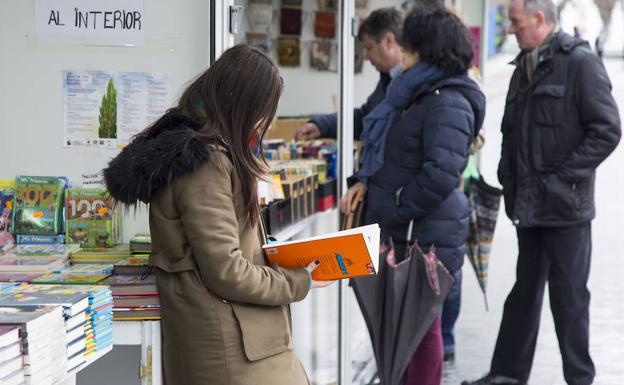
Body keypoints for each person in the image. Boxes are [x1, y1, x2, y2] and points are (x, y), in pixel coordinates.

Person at [103, 45, 332, 385]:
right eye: (260, 112)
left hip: (234, 339)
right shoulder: (205, 163)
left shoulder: (197, 150)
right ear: (242, 106)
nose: (260, 123)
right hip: (231, 347)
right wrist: (297, 281)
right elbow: (226, 270)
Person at [462, 1, 621, 385]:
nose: (510, 30)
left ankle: (580, 379)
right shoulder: (524, 65)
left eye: (515, 23)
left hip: (566, 208)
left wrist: (562, 179)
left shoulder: (579, 62)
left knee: (569, 300)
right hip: (529, 208)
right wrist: (508, 178)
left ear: (539, 19)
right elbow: (512, 132)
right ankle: (507, 374)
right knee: (524, 294)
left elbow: (607, 129)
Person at [343, 5, 485, 384]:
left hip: (424, 234)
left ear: (428, 49)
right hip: (409, 231)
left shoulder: (447, 99)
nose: (401, 55)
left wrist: (395, 205)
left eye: (408, 48)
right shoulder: (416, 91)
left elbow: (441, 174)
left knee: (422, 332)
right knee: (407, 331)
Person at [295, 7, 404, 140]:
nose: (365, 57)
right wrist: (321, 125)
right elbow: (363, 118)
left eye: (369, 47)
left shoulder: (417, 85)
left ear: (389, 41)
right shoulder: (388, 79)